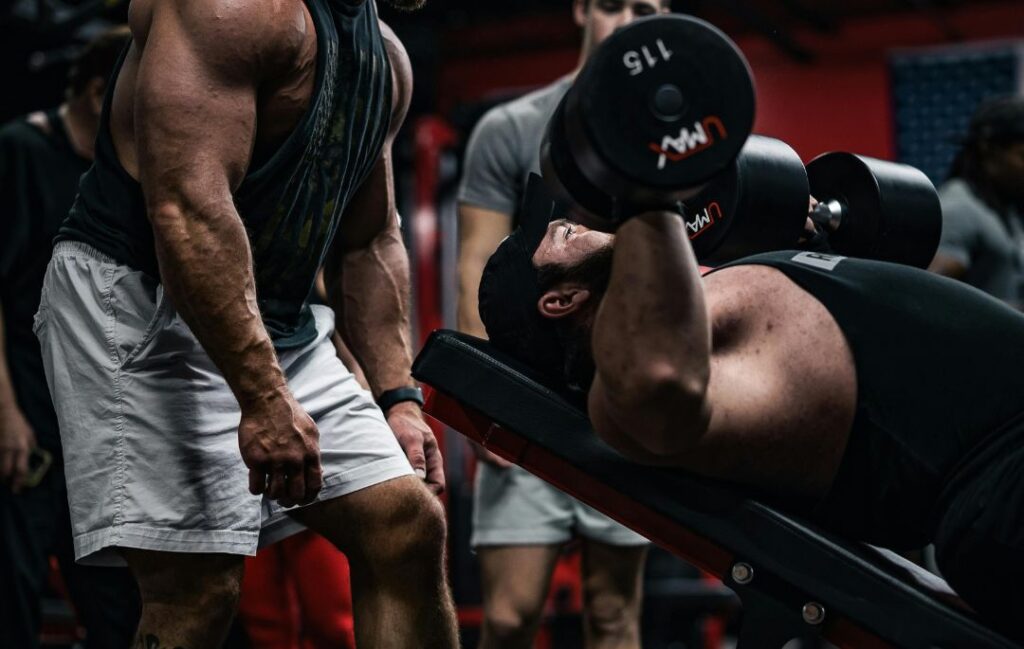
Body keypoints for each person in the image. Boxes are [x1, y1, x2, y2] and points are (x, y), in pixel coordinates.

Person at [33, 1, 458, 648]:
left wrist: (398, 397)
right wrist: (262, 397)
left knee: (405, 527)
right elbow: (187, 209)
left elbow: (369, 240)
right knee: (196, 591)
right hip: (140, 302)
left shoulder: (382, 58)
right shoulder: (230, 8)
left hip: (273, 307)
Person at [478, 198, 1024, 642]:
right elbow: (660, 378)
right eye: (559, 236)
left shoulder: (696, 311)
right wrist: (649, 190)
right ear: (561, 300)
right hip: (1002, 482)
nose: (569, 219)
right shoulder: (625, 391)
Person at [457, 1, 669, 646]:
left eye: (648, 10)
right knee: (510, 617)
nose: (627, 23)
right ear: (581, 8)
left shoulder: (669, 136)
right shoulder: (511, 127)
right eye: (613, 5)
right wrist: (484, 400)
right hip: (527, 405)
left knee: (613, 614)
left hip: (623, 403)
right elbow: (476, 269)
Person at [0, 26, 141, 649]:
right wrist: (7, 416)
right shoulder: (22, 150)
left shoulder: (123, 175)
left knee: (118, 604)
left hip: (96, 425)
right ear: (96, 92)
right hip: (26, 410)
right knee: (14, 591)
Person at [929, 96, 1024, 308]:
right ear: (988, 149)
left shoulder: (1004, 207)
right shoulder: (959, 208)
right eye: (1022, 156)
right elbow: (928, 296)